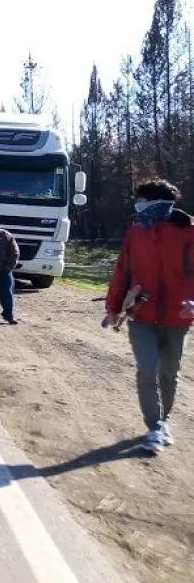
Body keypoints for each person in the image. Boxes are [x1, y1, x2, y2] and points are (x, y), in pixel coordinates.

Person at [105, 178, 194, 454]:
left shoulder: (190, 231)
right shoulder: (136, 232)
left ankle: (163, 422)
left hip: (178, 317)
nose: (138, 206)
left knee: (169, 372)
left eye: (142, 201)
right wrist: (113, 308)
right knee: (148, 367)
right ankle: (154, 426)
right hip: (141, 313)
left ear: (156, 203)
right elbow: (123, 271)